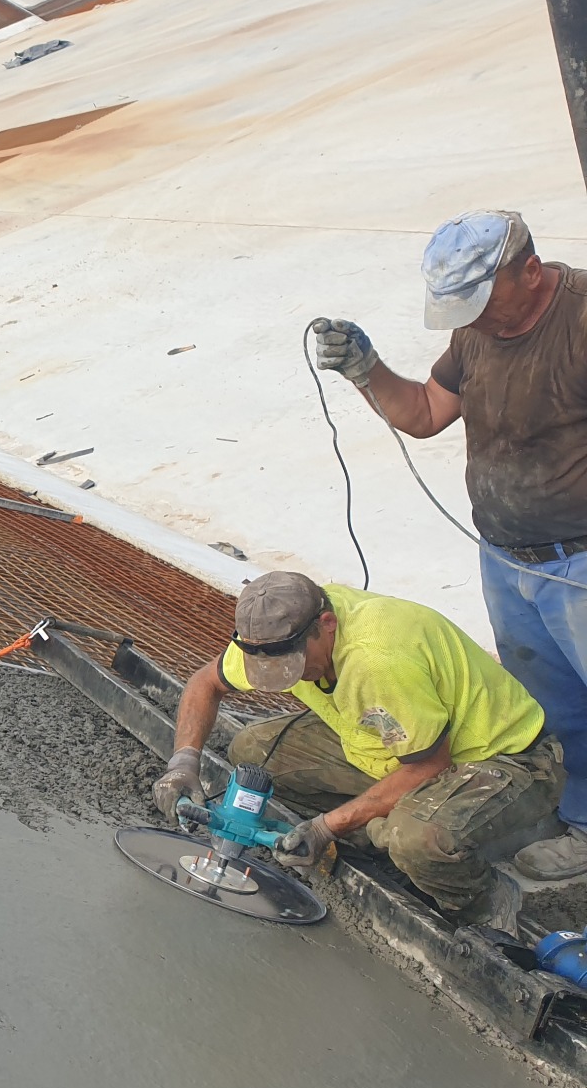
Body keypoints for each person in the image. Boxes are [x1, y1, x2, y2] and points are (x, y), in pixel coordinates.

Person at [311, 211, 587, 880]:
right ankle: (580, 824)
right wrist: (366, 370)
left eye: (485, 301)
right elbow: (428, 412)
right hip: (506, 557)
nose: (478, 318)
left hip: (579, 562)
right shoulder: (477, 332)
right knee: (551, 707)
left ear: (527, 269)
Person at [153, 571, 562, 930]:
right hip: (394, 740)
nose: (284, 678)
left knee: (413, 838)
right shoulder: (273, 633)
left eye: (293, 667)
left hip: (501, 757)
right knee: (254, 749)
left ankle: (487, 903)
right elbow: (206, 683)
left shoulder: (379, 661)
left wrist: (325, 828)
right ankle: (376, 828)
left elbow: (428, 765)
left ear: (326, 625)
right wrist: (183, 762)